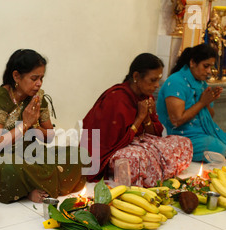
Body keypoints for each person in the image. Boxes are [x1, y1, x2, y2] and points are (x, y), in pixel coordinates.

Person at [0, 49, 86, 204]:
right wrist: (24, 125)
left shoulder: (37, 98)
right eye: (34, 78)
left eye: (41, 78)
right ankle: (28, 191)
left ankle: (30, 185)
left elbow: (50, 136)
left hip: (29, 153)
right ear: (16, 76)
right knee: (13, 168)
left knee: (77, 154)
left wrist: (34, 128)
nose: (39, 83)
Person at [81, 53, 192, 187]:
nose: (157, 85)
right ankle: (148, 173)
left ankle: (152, 171)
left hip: (139, 143)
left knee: (183, 142)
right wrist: (139, 118)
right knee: (133, 159)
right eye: (152, 80)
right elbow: (113, 143)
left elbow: (155, 135)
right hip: (113, 151)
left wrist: (146, 119)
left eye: (158, 80)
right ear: (135, 77)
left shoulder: (146, 97)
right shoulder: (116, 98)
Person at [156, 43, 226, 162]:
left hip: (202, 132)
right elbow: (176, 120)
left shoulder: (201, 83)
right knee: (218, 149)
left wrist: (208, 101)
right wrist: (202, 102)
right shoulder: (176, 82)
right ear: (193, 63)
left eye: (211, 67)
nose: (209, 71)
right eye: (206, 66)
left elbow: (210, 116)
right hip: (179, 135)